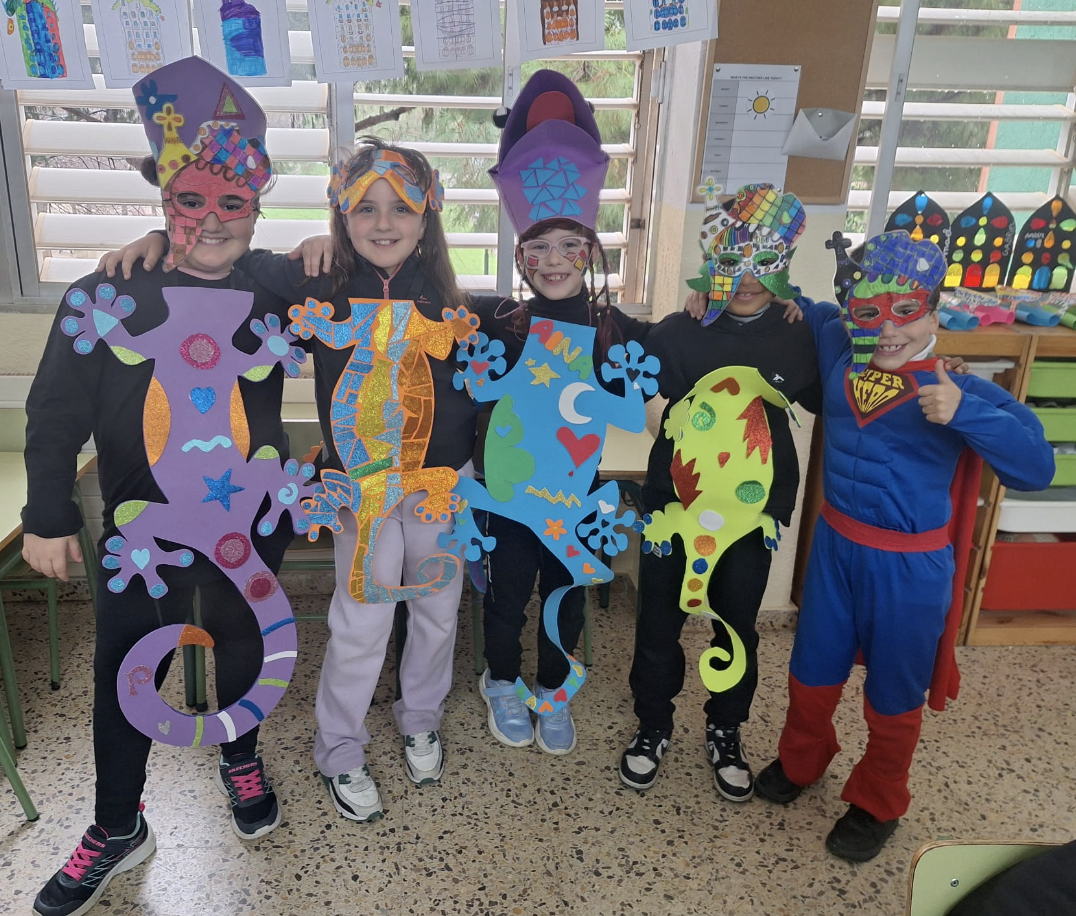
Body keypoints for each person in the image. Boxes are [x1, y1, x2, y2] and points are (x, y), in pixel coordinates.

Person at [104, 136, 477, 824]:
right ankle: (339, 746)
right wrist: (160, 237)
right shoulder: (314, 284)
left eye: (401, 208)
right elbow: (227, 253)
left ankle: (421, 716)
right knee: (362, 618)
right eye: (365, 209)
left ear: (429, 215)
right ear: (341, 215)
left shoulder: (455, 299)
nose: (384, 224)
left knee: (436, 609)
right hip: (358, 490)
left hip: (437, 487)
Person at [24, 57, 296, 916]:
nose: (211, 221)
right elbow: (55, 409)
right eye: (189, 201)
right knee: (123, 672)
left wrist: (329, 246)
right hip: (144, 534)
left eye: (232, 203)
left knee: (245, 641)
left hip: (249, 520)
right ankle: (117, 824)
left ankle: (239, 753)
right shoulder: (109, 291)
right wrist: (47, 512)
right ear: (162, 200)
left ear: (256, 206)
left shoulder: (278, 289)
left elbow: (378, 278)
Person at [753, 231, 1055, 861]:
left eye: (907, 310)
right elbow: (801, 304)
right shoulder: (842, 346)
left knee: (894, 691)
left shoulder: (960, 388)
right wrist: (745, 293)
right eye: (869, 311)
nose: (888, 328)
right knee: (810, 671)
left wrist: (965, 412)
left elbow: (1036, 467)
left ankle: (878, 800)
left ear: (935, 313)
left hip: (910, 568)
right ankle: (803, 760)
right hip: (835, 549)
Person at [618, 184, 822, 802]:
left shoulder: (798, 333)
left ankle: (725, 729)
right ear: (712, 262)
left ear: (784, 264)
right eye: (733, 261)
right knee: (659, 621)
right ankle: (653, 725)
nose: (748, 278)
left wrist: (804, 303)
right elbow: (637, 388)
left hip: (751, 515)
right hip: (673, 507)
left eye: (766, 263)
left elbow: (833, 391)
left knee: (737, 624)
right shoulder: (680, 331)